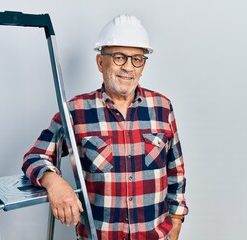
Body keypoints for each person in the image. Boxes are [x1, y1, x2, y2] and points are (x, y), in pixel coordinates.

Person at [22, 14, 188, 240]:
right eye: (119, 57)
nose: (128, 68)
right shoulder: (76, 111)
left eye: (137, 59)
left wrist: (176, 219)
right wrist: (53, 182)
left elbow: (175, 171)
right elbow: (34, 157)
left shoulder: (162, 108)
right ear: (101, 62)